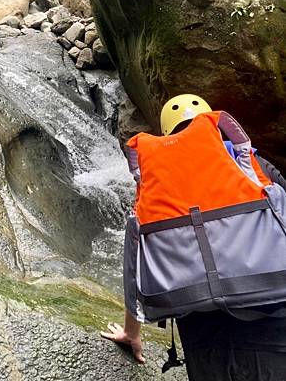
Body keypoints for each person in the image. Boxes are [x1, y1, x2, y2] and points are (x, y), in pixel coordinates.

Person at [102, 94, 286, 380]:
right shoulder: (251, 164)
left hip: (200, 327)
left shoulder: (154, 180)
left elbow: (133, 262)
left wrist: (131, 332)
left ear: (165, 133)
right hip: (270, 311)